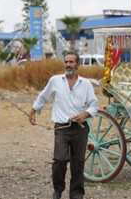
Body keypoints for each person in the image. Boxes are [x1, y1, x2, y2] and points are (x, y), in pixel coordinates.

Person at [29, 51, 98, 199]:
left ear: (77, 65)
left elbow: (94, 104)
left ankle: (76, 194)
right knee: (59, 159)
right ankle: (58, 190)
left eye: (71, 62)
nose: (68, 65)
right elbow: (43, 96)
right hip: (61, 128)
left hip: (80, 129)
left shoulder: (86, 84)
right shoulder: (55, 80)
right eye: (66, 62)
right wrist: (34, 110)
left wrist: (85, 114)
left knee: (78, 163)